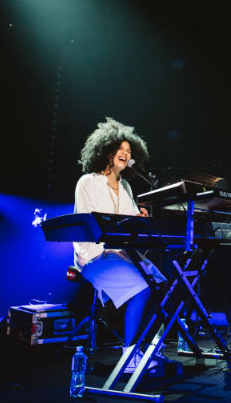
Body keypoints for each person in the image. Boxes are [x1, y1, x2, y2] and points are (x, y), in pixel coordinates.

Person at [73, 117, 166, 373]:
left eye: (129, 151)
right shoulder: (88, 182)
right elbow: (88, 223)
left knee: (163, 286)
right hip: (95, 256)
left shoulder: (125, 186)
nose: (126, 154)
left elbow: (129, 221)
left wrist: (140, 220)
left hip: (122, 255)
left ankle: (150, 349)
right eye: (121, 149)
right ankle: (128, 355)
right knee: (141, 290)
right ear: (106, 150)